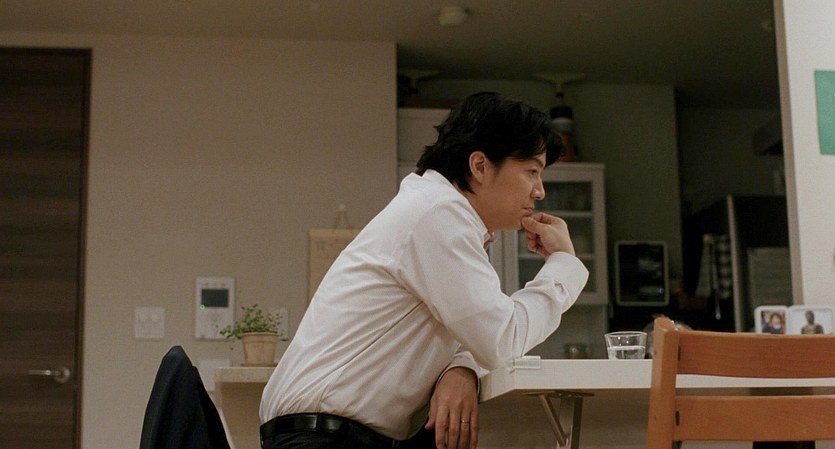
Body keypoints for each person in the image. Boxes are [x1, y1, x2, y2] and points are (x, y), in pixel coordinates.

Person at [259, 92, 589, 449]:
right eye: (532, 172)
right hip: (322, 439)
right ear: (480, 166)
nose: (539, 191)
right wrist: (563, 264)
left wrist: (461, 368)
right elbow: (502, 339)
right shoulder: (439, 214)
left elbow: (475, 331)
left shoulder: (438, 211)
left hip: (329, 434)